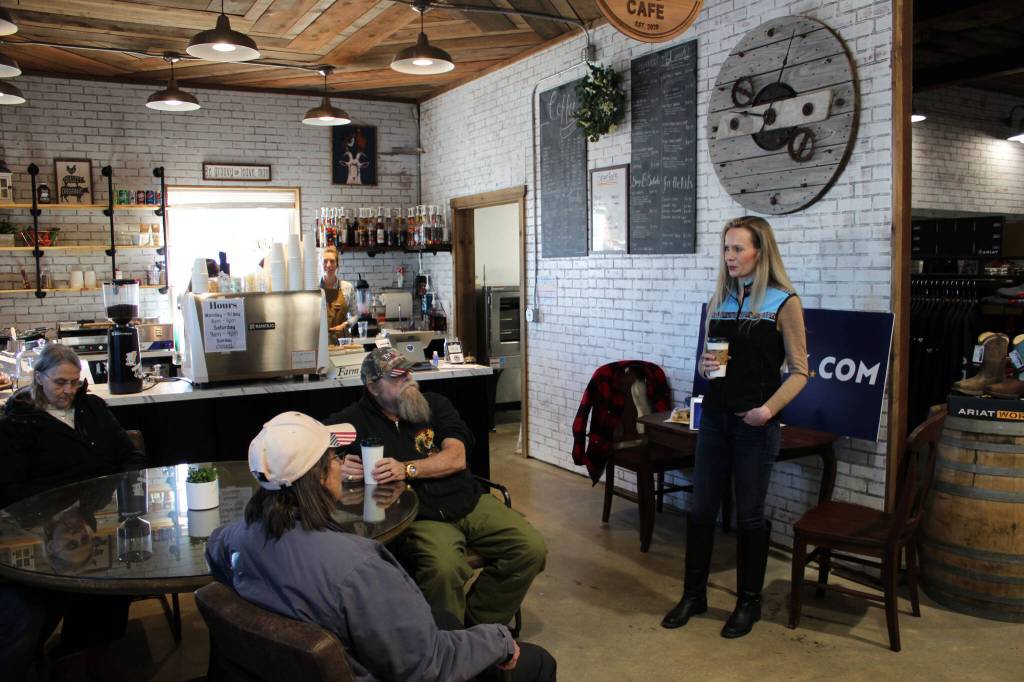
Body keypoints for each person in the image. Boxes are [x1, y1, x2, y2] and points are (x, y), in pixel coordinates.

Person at [205, 411, 556, 681]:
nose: (341, 462)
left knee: (445, 618)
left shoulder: (232, 539)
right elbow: (427, 666)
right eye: (336, 458)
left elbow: (217, 558)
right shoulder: (359, 567)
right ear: (321, 477)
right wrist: (497, 639)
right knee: (538, 661)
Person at [661, 216, 808, 639]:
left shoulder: (784, 302)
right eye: (726, 249)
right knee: (702, 508)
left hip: (756, 426)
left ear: (760, 252)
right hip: (716, 420)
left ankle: (749, 603)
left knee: (749, 515)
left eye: (738, 248)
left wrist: (767, 410)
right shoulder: (720, 300)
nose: (730, 257)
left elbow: (800, 372)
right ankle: (694, 594)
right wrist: (707, 370)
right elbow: (713, 366)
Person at [327, 348, 547, 629]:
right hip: (418, 515)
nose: (408, 378)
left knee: (531, 548)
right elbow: (311, 445)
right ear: (372, 387)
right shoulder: (354, 421)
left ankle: (480, 626)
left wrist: (406, 469)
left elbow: (457, 458)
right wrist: (338, 466)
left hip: (468, 500)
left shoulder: (434, 405)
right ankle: (446, 646)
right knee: (444, 569)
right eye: (396, 376)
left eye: (408, 371)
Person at [0, 343, 145, 678]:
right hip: (42, 522)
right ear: (39, 378)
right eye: (59, 383)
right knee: (68, 589)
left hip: (99, 507)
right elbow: (12, 489)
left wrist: (117, 487)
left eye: (74, 383)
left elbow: (130, 452)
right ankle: (73, 655)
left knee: (115, 579)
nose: (67, 391)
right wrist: (62, 512)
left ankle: (89, 653)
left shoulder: (92, 408)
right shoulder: (18, 423)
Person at [320, 245, 357, 343]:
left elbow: (355, 315)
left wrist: (345, 325)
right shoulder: (315, 290)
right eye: (325, 261)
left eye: (332, 261)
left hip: (343, 342)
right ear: (321, 264)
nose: (328, 265)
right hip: (321, 342)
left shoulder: (347, 288)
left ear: (337, 265)